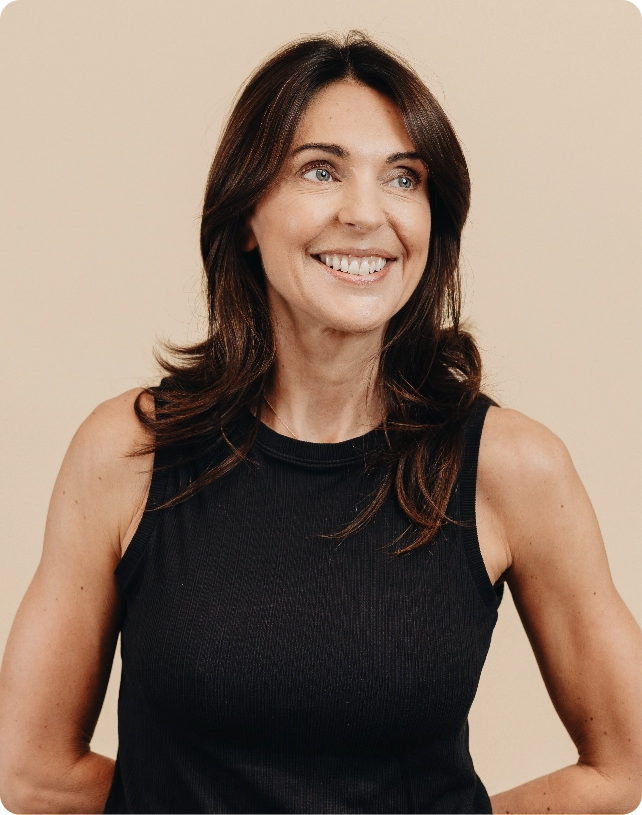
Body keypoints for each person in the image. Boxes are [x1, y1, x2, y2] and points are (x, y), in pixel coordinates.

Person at [0, 30, 641, 815]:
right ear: (246, 213)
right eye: (320, 170)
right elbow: (29, 772)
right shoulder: (127, 452)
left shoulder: (512, 468)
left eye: (403, 178)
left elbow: (627, 769)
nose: (366, 213)